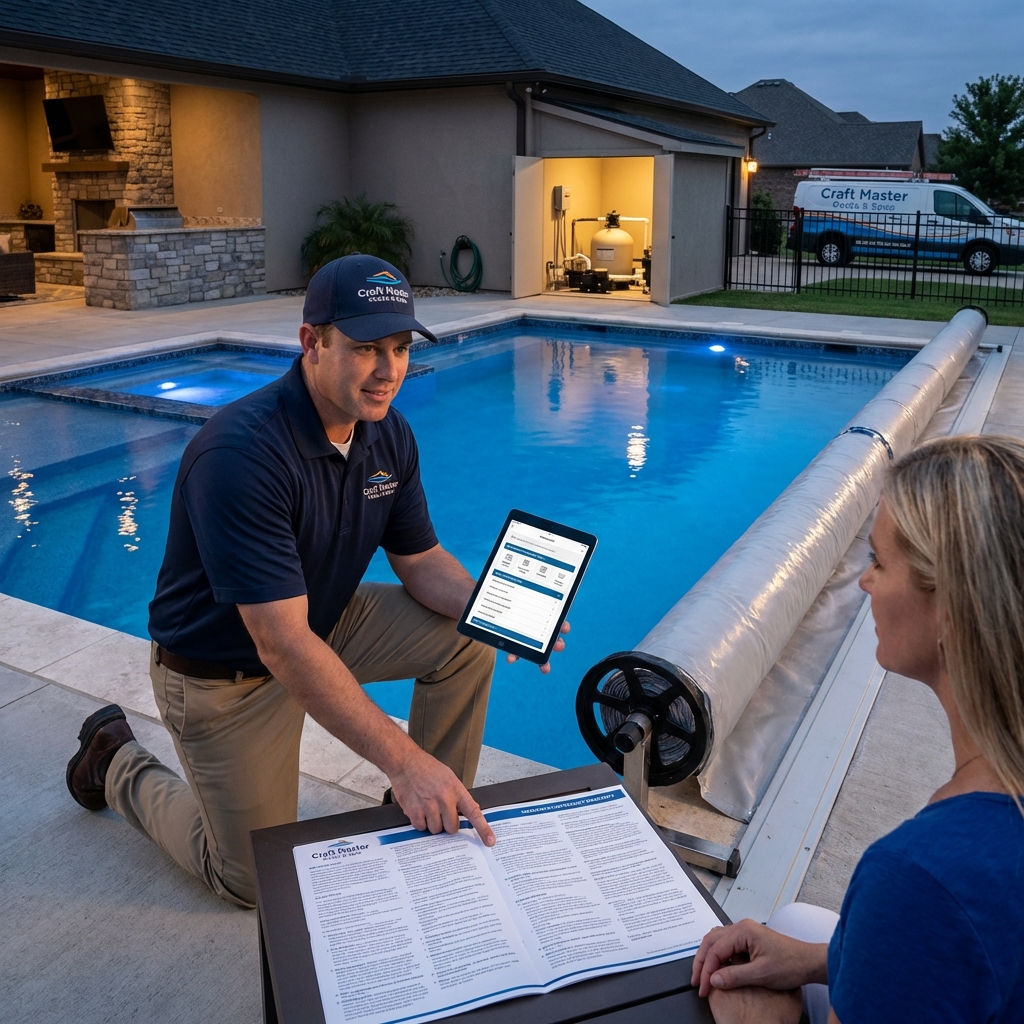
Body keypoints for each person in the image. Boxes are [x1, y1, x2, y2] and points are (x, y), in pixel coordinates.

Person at [64, 254, 567, 908]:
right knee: (247, 881)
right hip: (225, 672)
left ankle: (427, 808)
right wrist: (401, 757)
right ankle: (114, 761)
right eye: (364, 349)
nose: (388, 371)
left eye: (400, 347)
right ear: (312, 343)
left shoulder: (387, 435)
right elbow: (281, 646)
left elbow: (419, 561)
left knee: (467, 635)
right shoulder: (240, 454)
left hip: (322, 623)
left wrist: (497, 609)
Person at [690, 434, 1024, 1024]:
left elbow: (948, 924)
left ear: (951, 607)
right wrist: (826, 958)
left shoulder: (924, 877)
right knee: (794, 922)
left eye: (878, 561)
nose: (864, 583)